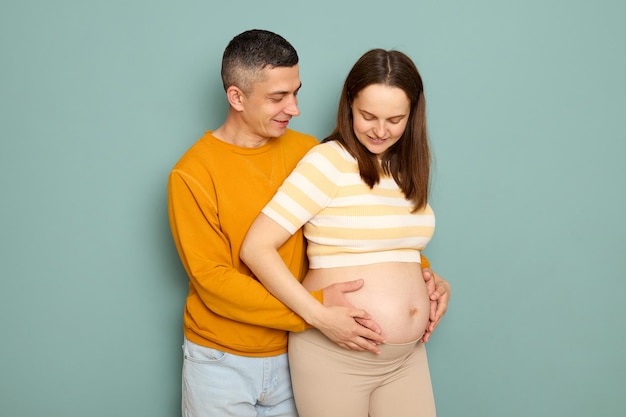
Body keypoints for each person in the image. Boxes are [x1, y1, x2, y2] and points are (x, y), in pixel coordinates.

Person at [169, 29, 449, 417]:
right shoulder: (193, 175)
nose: (295, 108)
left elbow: (359, 229)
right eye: (278, 97)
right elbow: (215, 280)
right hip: (224, 355)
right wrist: (314, 314)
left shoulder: (306, 150)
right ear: (237, 97)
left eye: (296, 92)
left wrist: (423, 277)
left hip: (292, 346)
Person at [240, 48, 443, 417]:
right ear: (349, 103)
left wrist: (431, 282)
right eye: (368, 116)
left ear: (413, 115)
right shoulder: (329, 161)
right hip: (336, 354)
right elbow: (256, 248)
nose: (381, 130)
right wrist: (317, 316)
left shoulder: (406, 171)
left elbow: (394, 251)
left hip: (406, 358)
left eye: (395, 119)